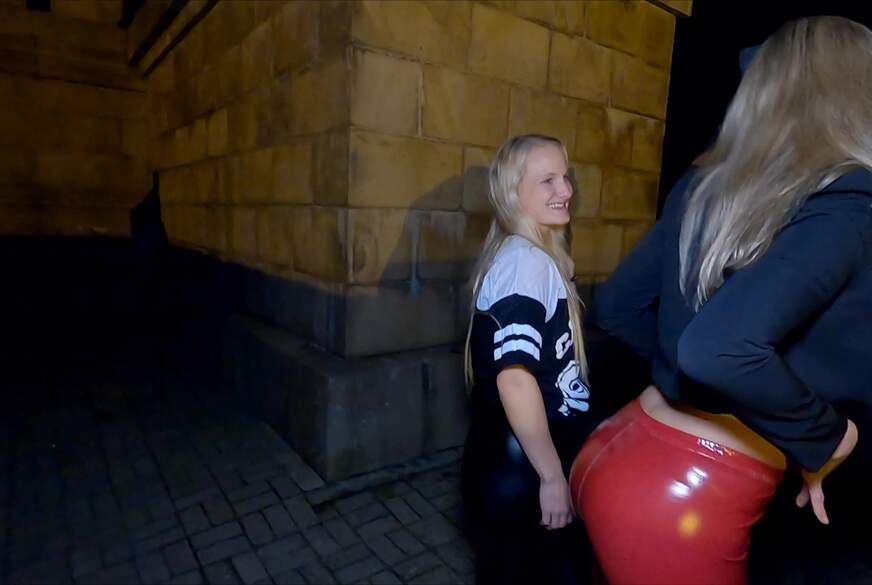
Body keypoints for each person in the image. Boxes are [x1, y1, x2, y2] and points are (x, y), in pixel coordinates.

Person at [569, 16, 871, 585]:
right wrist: (829, 437)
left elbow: (617, 307)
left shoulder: (704, 184)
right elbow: (717, 349)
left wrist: (687, 381)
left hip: (622, 442)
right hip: (688, 495)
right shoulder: (851, 203)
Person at [461, 134, 598, 584]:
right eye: (548, 180)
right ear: (512, 192)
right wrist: (552, 477)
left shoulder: (529, 255)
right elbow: (515, 378)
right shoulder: (526, 264)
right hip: (523, 468)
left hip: (513, 459)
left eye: (565, 177)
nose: (566, 190)